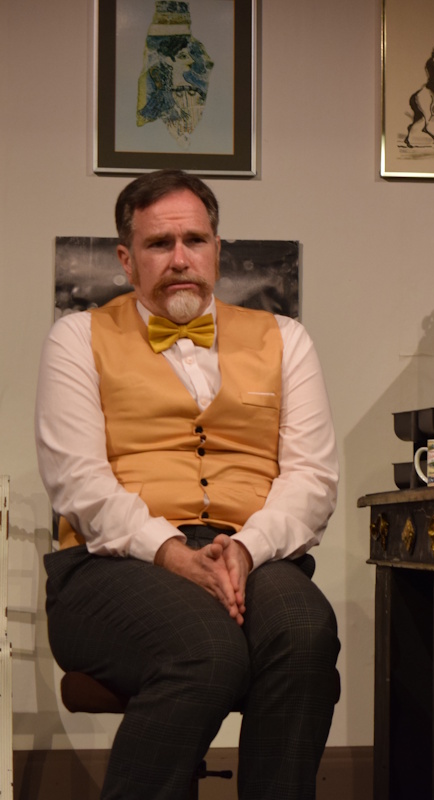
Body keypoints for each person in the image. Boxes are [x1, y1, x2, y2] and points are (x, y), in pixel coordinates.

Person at [36, 170, 341, 800]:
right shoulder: (77, 337)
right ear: (126, 259)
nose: (180, 259)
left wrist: (247, 549)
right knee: (206, 650)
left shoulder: (286, 339)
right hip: (110, 564)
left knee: (305, 632)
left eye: (195, 241)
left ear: (217, 250)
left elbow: (311, 476)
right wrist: (169, 551)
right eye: (158, 244)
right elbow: (77, 479)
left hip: (249, 550)